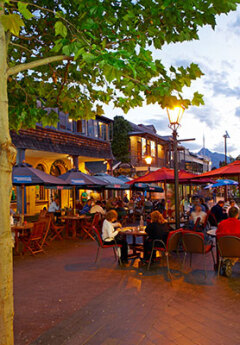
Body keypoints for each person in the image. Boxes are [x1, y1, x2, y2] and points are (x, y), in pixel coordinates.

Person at [216, 207, 240, 276]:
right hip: (237, 251)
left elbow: (217, 235)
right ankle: (230, 262)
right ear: (237, 215)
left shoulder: (221, 224)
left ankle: (227, 261)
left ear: (228, 214)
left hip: (224, 250)